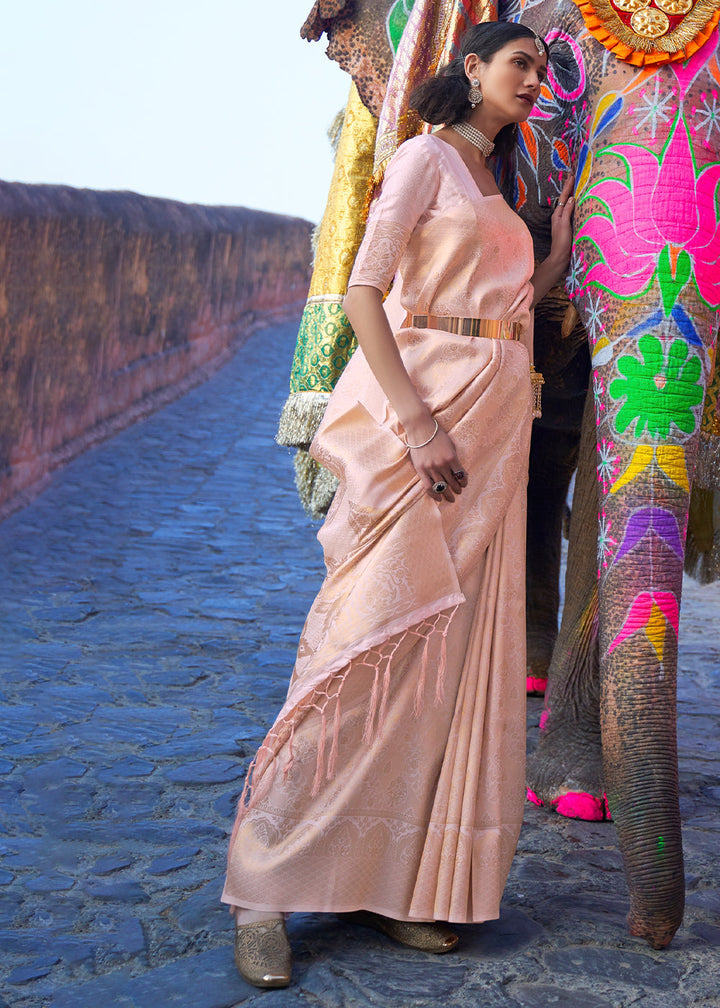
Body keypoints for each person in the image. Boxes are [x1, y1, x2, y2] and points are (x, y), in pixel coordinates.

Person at [223, 20, 574, 989]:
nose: (535, 79)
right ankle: (262, 889)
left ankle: (400, 887)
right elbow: (368, 290)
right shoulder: (424, 157)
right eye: (522, 65)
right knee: (359, 645)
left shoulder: (495, 180)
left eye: (542, 68)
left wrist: (561, 250)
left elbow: (497, 304)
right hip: (426, 427)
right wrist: (418, 426)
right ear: (472, 69)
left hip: (493, 430)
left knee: (443, 664)